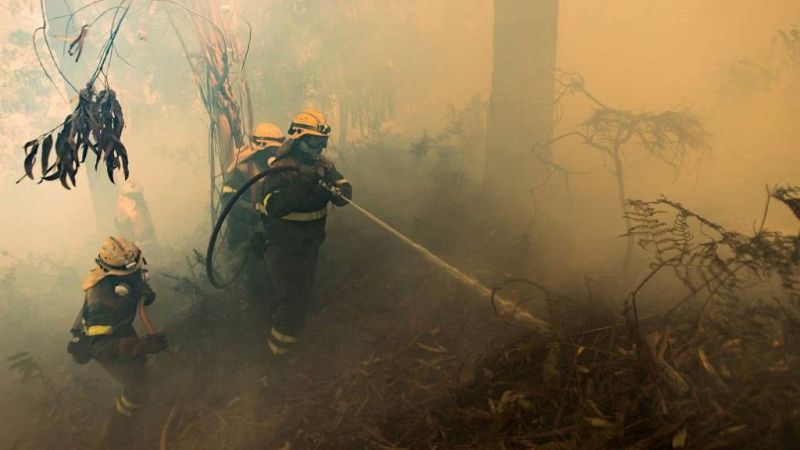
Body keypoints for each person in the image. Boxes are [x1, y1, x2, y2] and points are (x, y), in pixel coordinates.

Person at [258, 107, 352, 356]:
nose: (320, 147)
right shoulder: (281, 168)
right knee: (292, 300)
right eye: (315, 141)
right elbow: (274, 206)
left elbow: (343, 187)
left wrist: (341, 192)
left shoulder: (323, 165)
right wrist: (302, 183)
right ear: (299, 139)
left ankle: (292, 346)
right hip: (285, 248)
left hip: (310, 244)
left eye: (323, 141)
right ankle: (277, 356)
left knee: (303, 295)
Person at [68, 237, 167, 437]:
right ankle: (117, 430)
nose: (134, 276)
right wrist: (140, 345)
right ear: (110, 274)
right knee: (138, 384)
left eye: (135, 270)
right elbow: (99, 347)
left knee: (139, 365)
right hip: (102, 340)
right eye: (128, 275)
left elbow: (136, 280)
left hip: (118, 327)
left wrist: (143, 292)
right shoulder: (101, 302)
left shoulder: (124, 272)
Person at [221, 122, 286, 298]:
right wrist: (254, 216)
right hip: (246, 237)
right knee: (254, 281)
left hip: (271, 234)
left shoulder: (276, 168)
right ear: (262, 148)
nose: (276, 153)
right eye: (273, 149)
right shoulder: (241, 170)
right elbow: (228, 201)